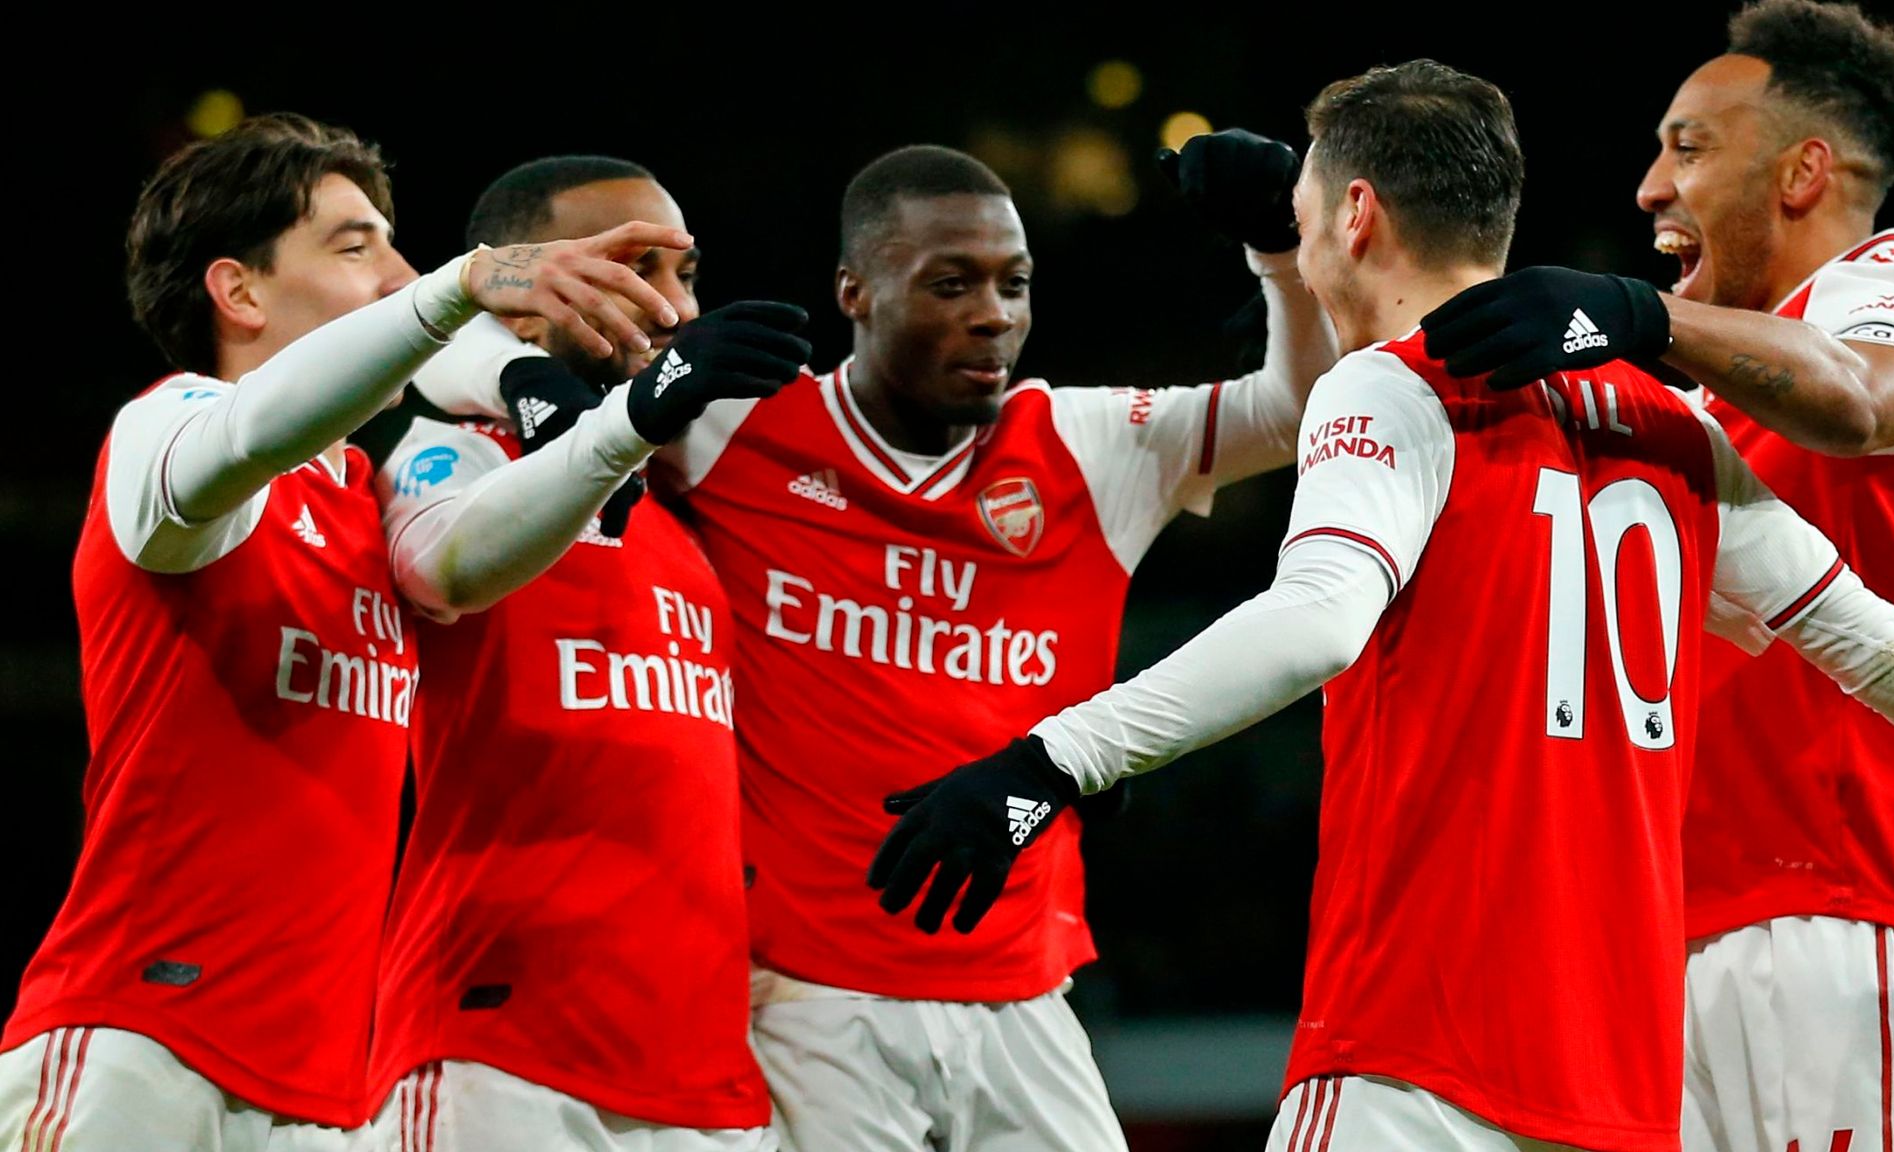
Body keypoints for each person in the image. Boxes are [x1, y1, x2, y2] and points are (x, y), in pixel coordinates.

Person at [867, 60, 1894, 1152]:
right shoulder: (1670, 423)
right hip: (1619, 1095)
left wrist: (1049, 762)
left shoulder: (1387, 387)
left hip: (1415, 1063)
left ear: (1355, 217)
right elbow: (1880, 648)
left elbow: (1317, 621)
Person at [413, 136, 1335, 1151]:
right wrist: (522, 374)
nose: (993, 313)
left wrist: (1278, 257)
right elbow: (448, 350)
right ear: (854, 292)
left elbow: (1299, 411)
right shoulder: (731, 423)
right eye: (950, 283)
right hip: (803, 1003)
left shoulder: (1089, 443)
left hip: (1025, 993)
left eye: (1013, 283)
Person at [0, 114, 689, 1150]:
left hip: (326, 1082)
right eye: (355, 242)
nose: (398, 270)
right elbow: (254, 429)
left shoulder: (366, 494)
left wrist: (582, 409)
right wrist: (458, 291)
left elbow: (464, 533)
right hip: (138, 1042)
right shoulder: (167, 427)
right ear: (237, 292)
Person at [1414, 3, 1894, 1146]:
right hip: (1666, 947)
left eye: (1687, 147)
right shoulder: (1687, 401)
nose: (1648, 185)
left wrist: (1635, 316)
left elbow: (1852, 393)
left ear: (1801, 173)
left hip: (1852, 921)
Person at [366, 155, 809, 1152]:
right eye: (628, 267)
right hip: (501, 1057)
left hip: (708, 1080)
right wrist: (598, 409)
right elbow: (450, 565)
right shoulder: (450, 454)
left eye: (683, 271)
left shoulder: (688, 509)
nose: (669, 304)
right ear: (521, 300)